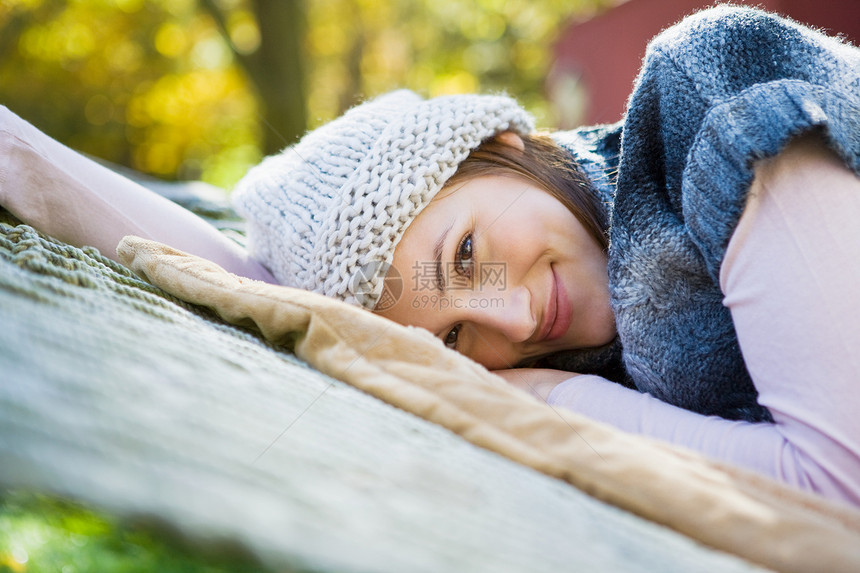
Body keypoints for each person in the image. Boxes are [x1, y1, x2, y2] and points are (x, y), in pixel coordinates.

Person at [1, 5, 858, 505]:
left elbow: (836, 490)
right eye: (453, 342)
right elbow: (266, 291)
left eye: (466, 255)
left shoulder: (710, 99)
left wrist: (555, 394)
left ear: (507, 144)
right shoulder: (606, 302)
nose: (516, 322)